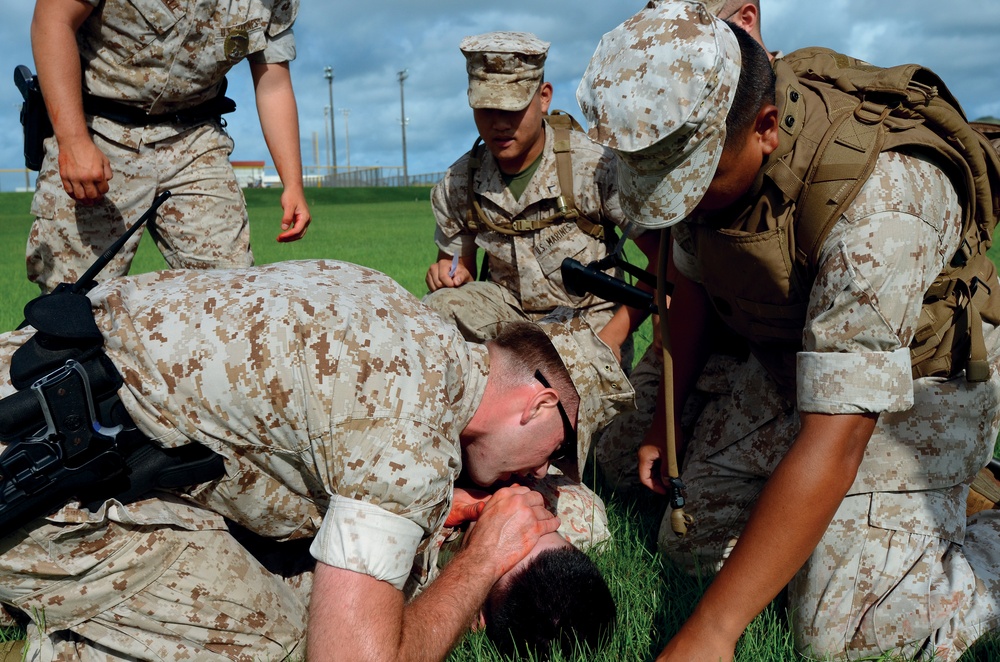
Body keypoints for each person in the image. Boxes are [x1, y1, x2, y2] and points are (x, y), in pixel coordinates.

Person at [578, 2, 1000, 661]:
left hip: (918, 388)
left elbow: (838, 435)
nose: (679, 207)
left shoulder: (881, 200)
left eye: (695, 185)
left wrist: (712, 635)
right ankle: (867, 534)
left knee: (843, 638)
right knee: (691, 545)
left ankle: (981, 528)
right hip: (795, 363)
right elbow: (691, 280)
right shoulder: (699, 145)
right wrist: (668, 420)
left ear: (766, 128)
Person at [0, 258, 632, 660]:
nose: (542, 475)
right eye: (557, 453)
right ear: (538, 404)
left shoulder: (393, 311)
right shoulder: (409, 435)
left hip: (46, 398)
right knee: (282, 635)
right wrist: (486, 558)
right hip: (38, 480)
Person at [595, 0, 774, 492]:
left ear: (744, 19)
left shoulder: (764, 117)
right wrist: (664, 424)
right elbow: (685, 278)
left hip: (787, 354)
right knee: (618, 462)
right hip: (712, 332)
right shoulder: (667, 125)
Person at [25, 0, 311, 294]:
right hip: (99, 130)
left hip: (194, 138)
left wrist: (293, 184)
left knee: (233, 294)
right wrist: (73, 141)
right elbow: (52, 21)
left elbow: (273, 83)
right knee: (71, 304)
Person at [423, 30, 656, 363]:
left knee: (557, 401)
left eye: (512, 108)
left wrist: (614, 337)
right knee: (437, 309)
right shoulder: (460, 182)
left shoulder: (595, 167)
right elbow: (456, 265)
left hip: (585, 326)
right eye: (487, 108)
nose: (499, 123)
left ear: (543, 97)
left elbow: (665, 260)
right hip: (508, 326)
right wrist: (449, 271)